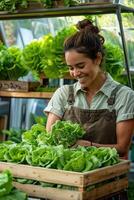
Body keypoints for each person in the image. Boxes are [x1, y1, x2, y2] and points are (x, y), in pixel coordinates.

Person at [44, 19, 134, 159]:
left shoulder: (124, 96)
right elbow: (50, 138)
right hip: (68, 176)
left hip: (108, 176)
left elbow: (122, 148)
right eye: (71, 68)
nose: (75, 73)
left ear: (97, 58)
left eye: (80, 66)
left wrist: (87, 146)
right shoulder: (63, 94)